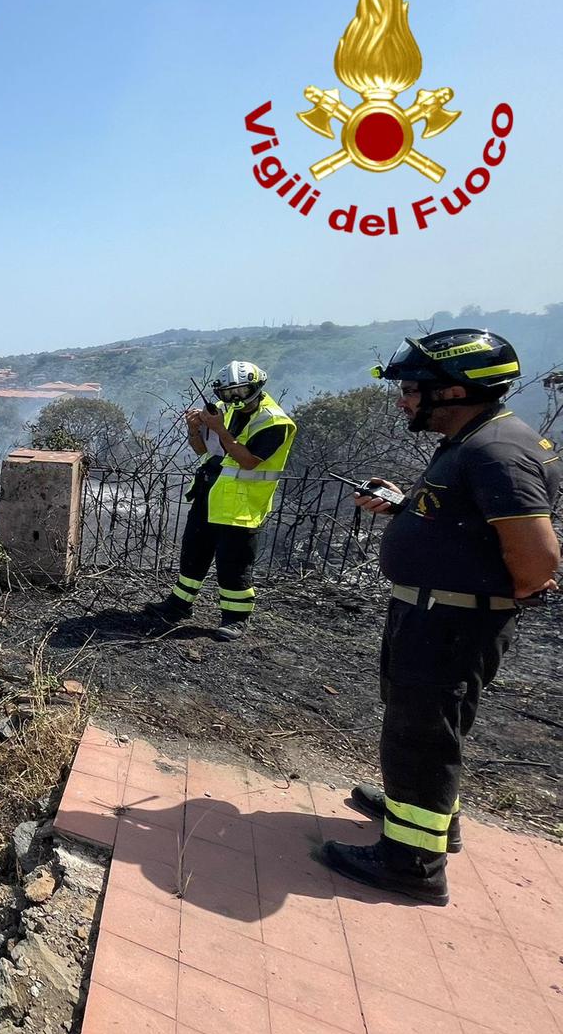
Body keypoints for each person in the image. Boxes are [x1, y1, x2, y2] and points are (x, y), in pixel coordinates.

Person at [321, 329, 561, 904]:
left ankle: (411, 864)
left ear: (453, 391)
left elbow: (537, 562)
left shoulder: (495, 452)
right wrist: (405, 506)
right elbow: (466, 523)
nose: (404, 399)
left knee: (421, 734)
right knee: (425, 727)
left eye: (412, 388)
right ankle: (425, 818)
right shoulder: (475, 440)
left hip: (450, 623)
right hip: (440, 614)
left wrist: (482, 601)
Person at [142, 361, 297, 640]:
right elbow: (204, 449)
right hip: (208, 494)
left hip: (241, 507)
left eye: (241, 391)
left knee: (233, 564)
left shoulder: (275, 422)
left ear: (257, 387)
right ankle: (179, 604)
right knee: (193, 553)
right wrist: (194, 429)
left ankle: (236, 618)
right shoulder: (222, 411)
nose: (234, 399)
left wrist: (220, 428)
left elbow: (249, 461)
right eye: (228, 393)